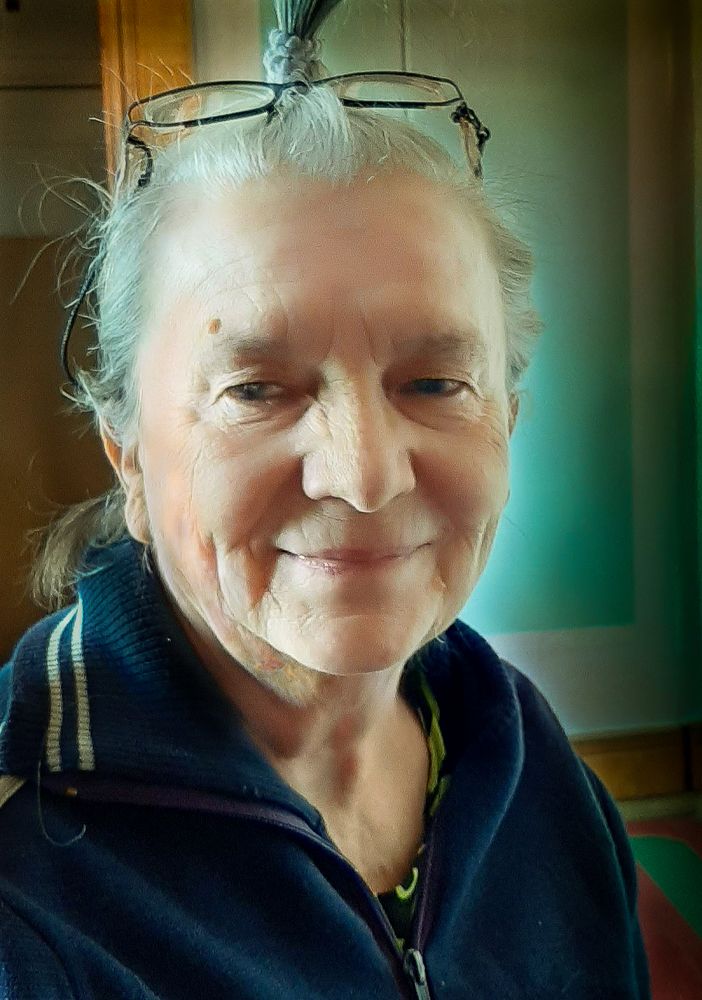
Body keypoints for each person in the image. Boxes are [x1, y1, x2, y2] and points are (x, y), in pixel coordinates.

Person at [0, 1, 650, 997]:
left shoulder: (533, 768)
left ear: (507, 421)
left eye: (435, 382)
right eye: (256, 390)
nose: (364, 475)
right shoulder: (25, 893)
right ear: (125, 453)